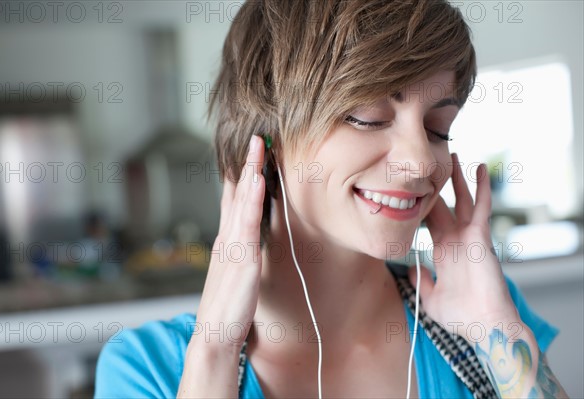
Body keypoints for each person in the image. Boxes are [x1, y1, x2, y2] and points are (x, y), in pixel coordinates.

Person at [95, 1, 569, 397]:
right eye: (368, 117)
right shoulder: (149, 369)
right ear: (267, 135)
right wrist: (213, 356)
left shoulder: (487, 315)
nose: (422, 162)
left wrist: (494, 328)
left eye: (436, 128)